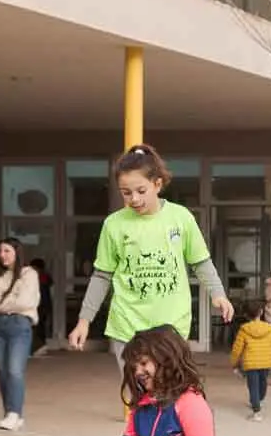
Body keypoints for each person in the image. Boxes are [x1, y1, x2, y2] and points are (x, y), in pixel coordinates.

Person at [68, 145, 234, 373]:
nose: (134, 199)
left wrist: (218, 294)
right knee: (139, 397)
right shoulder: (114, 224)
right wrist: (84, 320)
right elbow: (102, 275)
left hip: (171, 327)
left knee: (169, 394)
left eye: (140, 190)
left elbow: (200, 261)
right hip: (127, 326)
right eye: (126, 193)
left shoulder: (181, 217)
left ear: (157, 184)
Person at [0, 238, 41, 431]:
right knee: (2, 370)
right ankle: (11, 414)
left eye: (7, 251)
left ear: (17, 252)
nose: (2, 255)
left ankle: (14, 414)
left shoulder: (29, 274)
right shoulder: (2, 276)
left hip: (19, 324)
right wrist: (7, 303)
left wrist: (0, 304)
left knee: (15, 370)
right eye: (0, 251)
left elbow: (24, 302)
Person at [228, 299, 271, 422]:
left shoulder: (244, 330)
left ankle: (256, 411)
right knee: (263, 382)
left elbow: (237, 349)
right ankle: (259, 400)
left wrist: (234, 363)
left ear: (246, 315)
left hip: (250, 363)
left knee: (253, 386)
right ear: (261, 312)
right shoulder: (270, 328)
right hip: (266, 362)